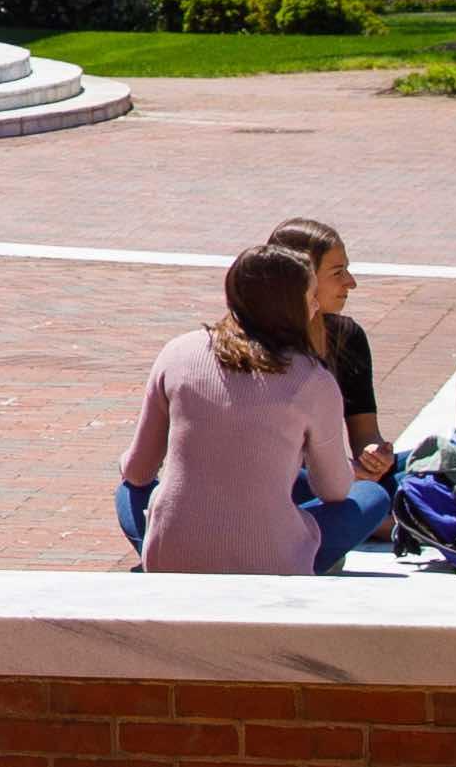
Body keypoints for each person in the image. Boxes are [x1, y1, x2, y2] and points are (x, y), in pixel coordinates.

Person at [117, 240, 369, 574]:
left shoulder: (177, 352)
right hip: (274, 564)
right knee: (369, 496)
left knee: (128, 490)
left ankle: (173, 546)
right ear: (295, 307)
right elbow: (335, 489)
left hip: (173, 557)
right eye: (311, 298)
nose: (314, 308)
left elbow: (137, 471)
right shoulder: (313, 379)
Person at [271, 211, 411, 564]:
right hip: (286, 481)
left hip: (338, 473)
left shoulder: (347, 337)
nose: (351, 283)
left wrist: (375, 457)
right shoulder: (259, 345)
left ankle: (391, 518)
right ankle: (391, 521)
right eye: (337, 273)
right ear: (302, 280)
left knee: (425, 463)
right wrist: (347, 474)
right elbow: (266, 459)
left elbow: (365, 433)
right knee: (367, 496)